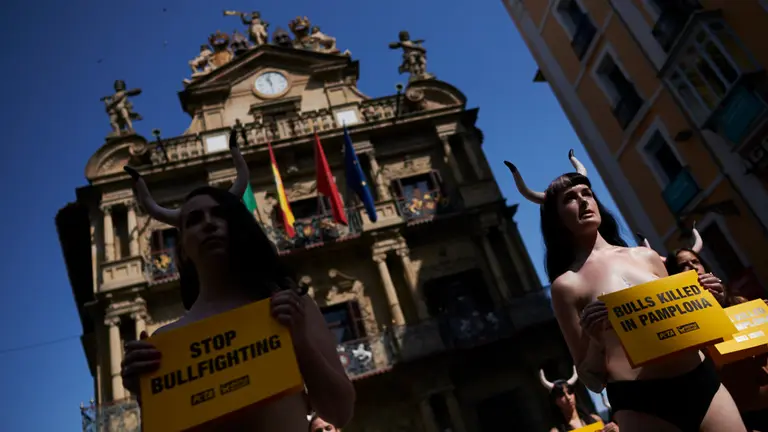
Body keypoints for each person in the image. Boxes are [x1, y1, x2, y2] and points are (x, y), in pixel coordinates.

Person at [119, 125, 355, 431]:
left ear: (237, 228)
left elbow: (339, 412)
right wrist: (145, 392)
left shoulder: (291, 308)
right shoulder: (166, 345)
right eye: (194, 220)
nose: (209, 224)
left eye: (220, 215)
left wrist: (297, 339)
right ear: (183, 249)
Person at [505, 150, 745, 432]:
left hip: (702, 381)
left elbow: (691, 326)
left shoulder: (647, 257)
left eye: (587, 193)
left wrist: (709, 300)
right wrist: (596, 339)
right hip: (640, 403)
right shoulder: (566, 286)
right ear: (555, 217)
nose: (583, 201)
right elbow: (590, 378)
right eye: (570, 198)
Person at [648, 234, 768, 432]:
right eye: (683, 266)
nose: (692, 267)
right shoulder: (682, 326)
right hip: (744, 417)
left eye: (695, 261)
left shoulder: (740, 302)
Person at [540, 367, 618, 432]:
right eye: (561, 395)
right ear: (555, 401)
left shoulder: (595, 419)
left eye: (570, 392)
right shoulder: (556, 431)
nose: (568, 397)